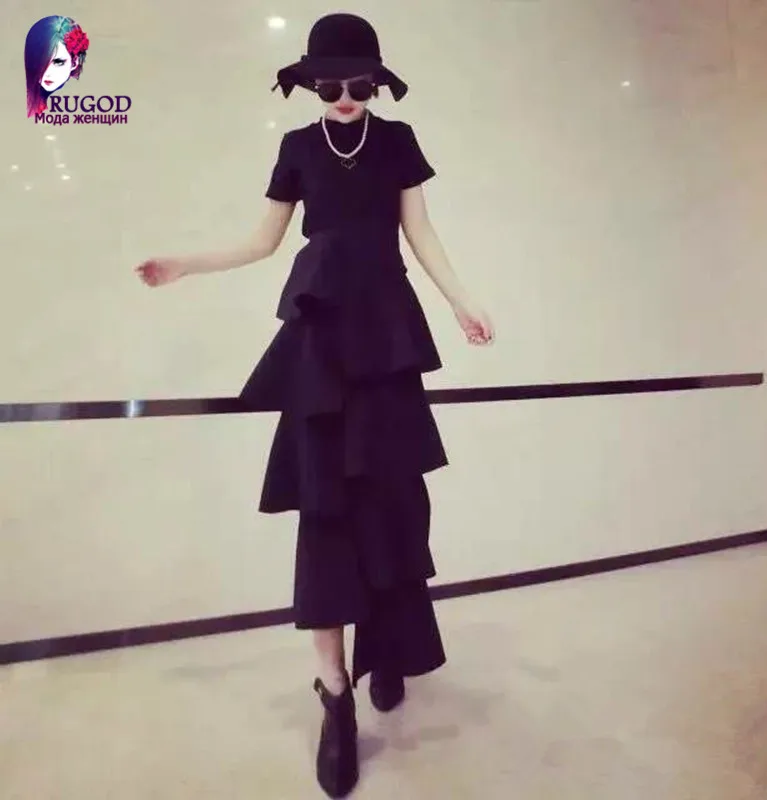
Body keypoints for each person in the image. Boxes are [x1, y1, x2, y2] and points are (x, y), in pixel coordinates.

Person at [135, 13, 494, 798]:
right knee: (326, 506)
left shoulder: (396, 141)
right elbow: (263, 240)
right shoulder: (299, 147)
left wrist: (463, 300)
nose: (344, 97)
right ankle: (335, 694)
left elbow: (421, 232)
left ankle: (387, 646)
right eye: (329, 85)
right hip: (321, 337)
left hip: (387, 334)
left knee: (394, 498)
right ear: (309, 85)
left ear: (377, 82)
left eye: (358, 84)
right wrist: (187, 263)